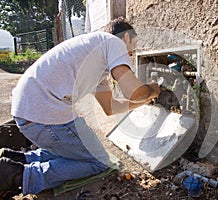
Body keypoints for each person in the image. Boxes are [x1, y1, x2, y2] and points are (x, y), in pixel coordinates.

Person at [0, 17, 160, 196]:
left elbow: (110, 107)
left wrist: (140, 103)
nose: (132, 53)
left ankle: (19, 159)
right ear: (127, 37)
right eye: (133, 45)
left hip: (28, 112)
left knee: (77, 153)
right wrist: (152, 90)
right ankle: (19, 176)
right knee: (100, 161)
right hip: (43, 113)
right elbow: (135, 92)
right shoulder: (114, 42)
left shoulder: (96, 57)